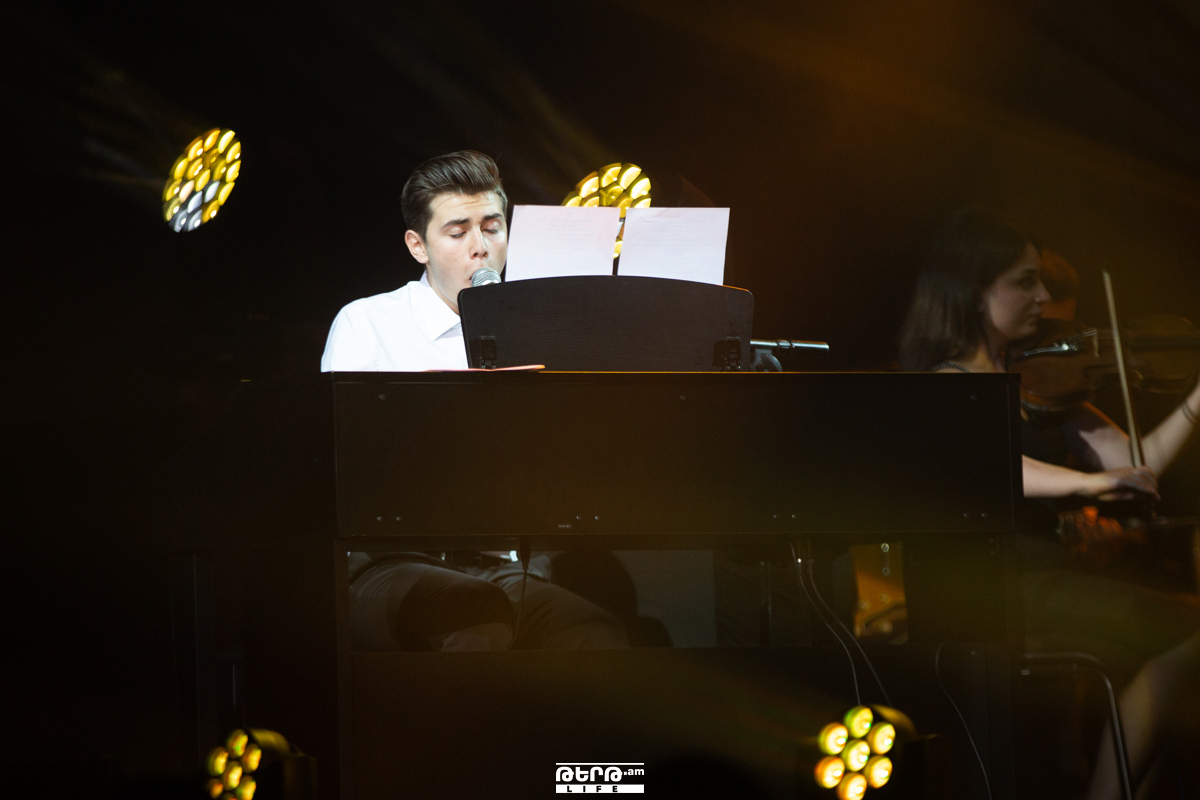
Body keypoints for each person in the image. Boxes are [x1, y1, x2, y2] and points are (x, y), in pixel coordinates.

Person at [898, 207, 1200, 799]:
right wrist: (1084, 486)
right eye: (1025, 282)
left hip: (1048, 581)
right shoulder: (945, 382)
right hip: (995, 589)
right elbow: (992, 465)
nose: (1042, 296)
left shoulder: (1037, 380)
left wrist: (1197, 399)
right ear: (975, 291)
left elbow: (1134, 460)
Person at [321, 150, 626, 651]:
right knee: (476, 619)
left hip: (497, 565)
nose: (480, 248)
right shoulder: (367, 323)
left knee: (595, 634)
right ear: (418, 246)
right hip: (391, 561)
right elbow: (342, 466)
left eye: (491, 228)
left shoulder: (538, 329)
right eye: (457, 232)